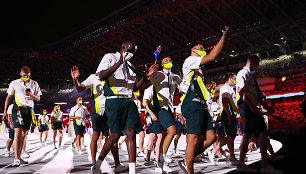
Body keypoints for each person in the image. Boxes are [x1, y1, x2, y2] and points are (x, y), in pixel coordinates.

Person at [93, 40, 158, 174]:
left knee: (131, 133)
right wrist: (119, 63)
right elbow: (101, 76)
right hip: (114, 101)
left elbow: (134, 87)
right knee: (115, 135)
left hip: (129, 101)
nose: (130, 55)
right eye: (129, 51)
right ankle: (97, 165)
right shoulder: (110, 57)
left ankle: (132, 171)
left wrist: (145, 76)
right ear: (123, 46)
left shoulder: (130, 65)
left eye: (133, 53)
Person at [178, 28, 230, 174]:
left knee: (212, 137)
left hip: (201, 104)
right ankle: (189, 170)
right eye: (201, 48)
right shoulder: (190, 60)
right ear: (193, 50)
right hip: (192, 102)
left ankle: (186, 160)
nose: (203, 50)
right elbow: (212, 56)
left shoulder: (199, 69)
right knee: (192, 139)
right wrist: (224, 37)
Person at [71, 66, 127, 172]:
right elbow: (80, 89)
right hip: (97, 112)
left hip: (110, 111)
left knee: (113, 137)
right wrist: (75, 79)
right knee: (95, 136)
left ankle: (117, 164)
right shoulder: (93, 77)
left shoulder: (112, 78)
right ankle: (94, 164)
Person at [236, 55, 283, 173]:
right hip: (247, 107)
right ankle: (265, 165)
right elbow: (241, 92)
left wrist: (267, 107)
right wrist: (252, 106)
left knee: (247, 135)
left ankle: (241, 165)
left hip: (249, 107)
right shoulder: (243, 73)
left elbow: (257, 96)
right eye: (257, 63)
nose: (258, 66)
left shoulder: (251, 76)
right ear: (251, 62)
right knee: (263, 132)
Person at [143, 56, 182, 172]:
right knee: (172, 130)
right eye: (166, 61)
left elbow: (183, 87)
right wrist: (148, 74)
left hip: (169, 107)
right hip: (159, 107)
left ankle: (159, 164)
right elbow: (146, 83)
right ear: (162, 64)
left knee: (163, 135)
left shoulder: (175, 77)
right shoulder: (158, 74)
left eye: (170, 60)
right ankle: (161, 159)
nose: (169, 62)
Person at [3, 65, 42, 167]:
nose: (26, 77)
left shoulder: (34, 84)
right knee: (17, 133)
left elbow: (38, 98)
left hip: (29, 110)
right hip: (18, 109)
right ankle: (16, 158)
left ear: (30, 75)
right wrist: (5, 112)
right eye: (24, 75)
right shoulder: (14, 83)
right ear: (20, 74)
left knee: (24, 135)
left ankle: (19, 157)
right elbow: (8, 97)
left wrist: (31, 95)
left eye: (28, 75)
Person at [209, 73, 238, 165]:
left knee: (231, 137)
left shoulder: (228, 88)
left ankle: (232, 157)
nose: (236, 80)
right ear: (230, 78)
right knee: (230, 136)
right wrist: (229, 116)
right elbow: (225, 102)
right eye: (235, 78)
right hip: (227, 113)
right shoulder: (226, 88)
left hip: (229, 113)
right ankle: (213, 151)